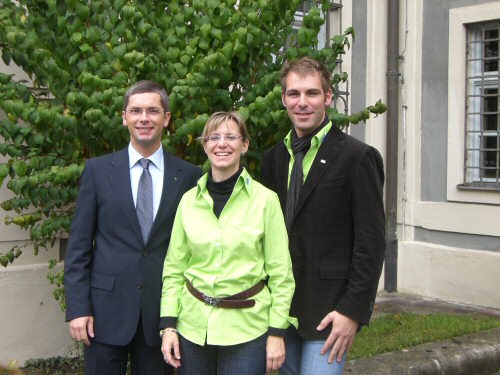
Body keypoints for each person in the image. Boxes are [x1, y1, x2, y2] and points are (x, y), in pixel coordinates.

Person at [64, 80, 202, 375]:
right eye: (136, 110)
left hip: (161, 315)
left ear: (166, 118)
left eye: (152, 111)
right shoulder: (98, 171)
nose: (144, 118)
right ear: (124, 117)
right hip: (104, 312)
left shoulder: (189, 176)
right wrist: (78, 308)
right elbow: (78, 247)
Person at [260, 57, 386, 375]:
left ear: (328, 97)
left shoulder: (358, 158)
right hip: (279, 310)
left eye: (312, 93)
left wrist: (352, 311)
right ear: (283, 99)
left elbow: (371, 243)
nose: (302, 103)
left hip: (330, 312)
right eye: (294, 94)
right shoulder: (272, 159)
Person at [159, 111, 296, 375]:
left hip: (247, 330)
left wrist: (277, 332)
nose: (222, 143)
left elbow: (281, 273)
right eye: (214, 137)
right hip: (192, 328)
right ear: (205, 145)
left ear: (244, 145)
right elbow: (174, 268)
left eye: (231, 137)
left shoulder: (265, 200)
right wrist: (169, 326)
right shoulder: (188, 201)